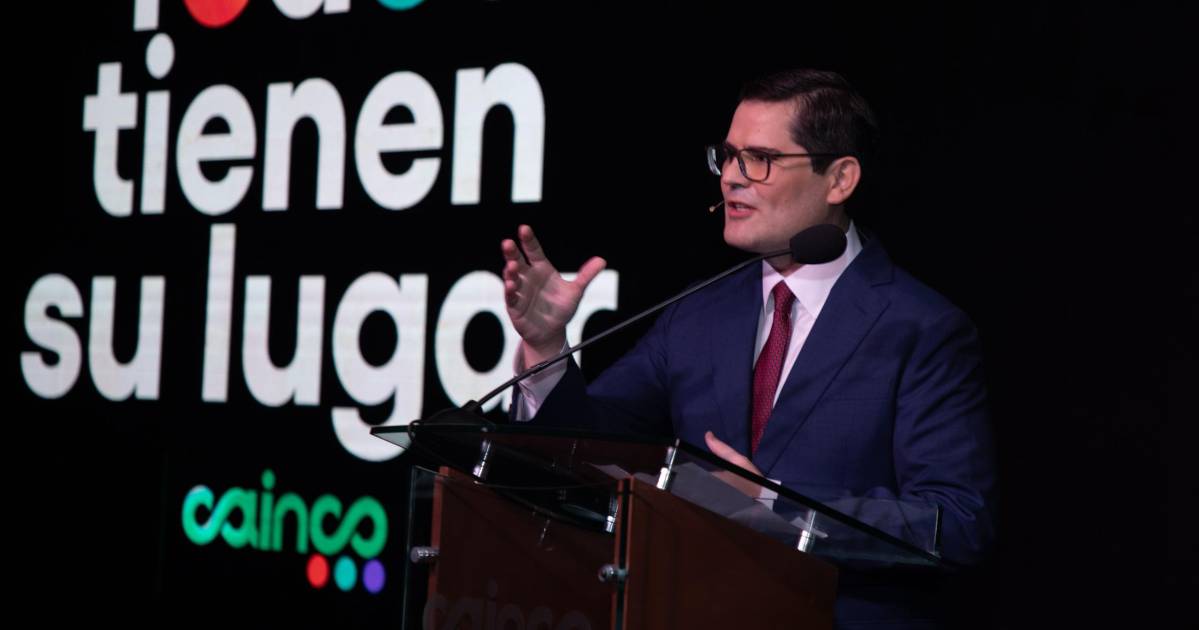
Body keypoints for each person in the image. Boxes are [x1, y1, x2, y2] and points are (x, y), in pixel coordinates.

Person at [499, 68, 996, 629]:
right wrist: (545, 347)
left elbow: (956, 525)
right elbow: (590, 444)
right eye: (728, 156)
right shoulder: (697, 313)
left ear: (839, 179)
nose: (732, 178)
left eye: (760, 159)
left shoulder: (920, 327)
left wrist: (772, 506)